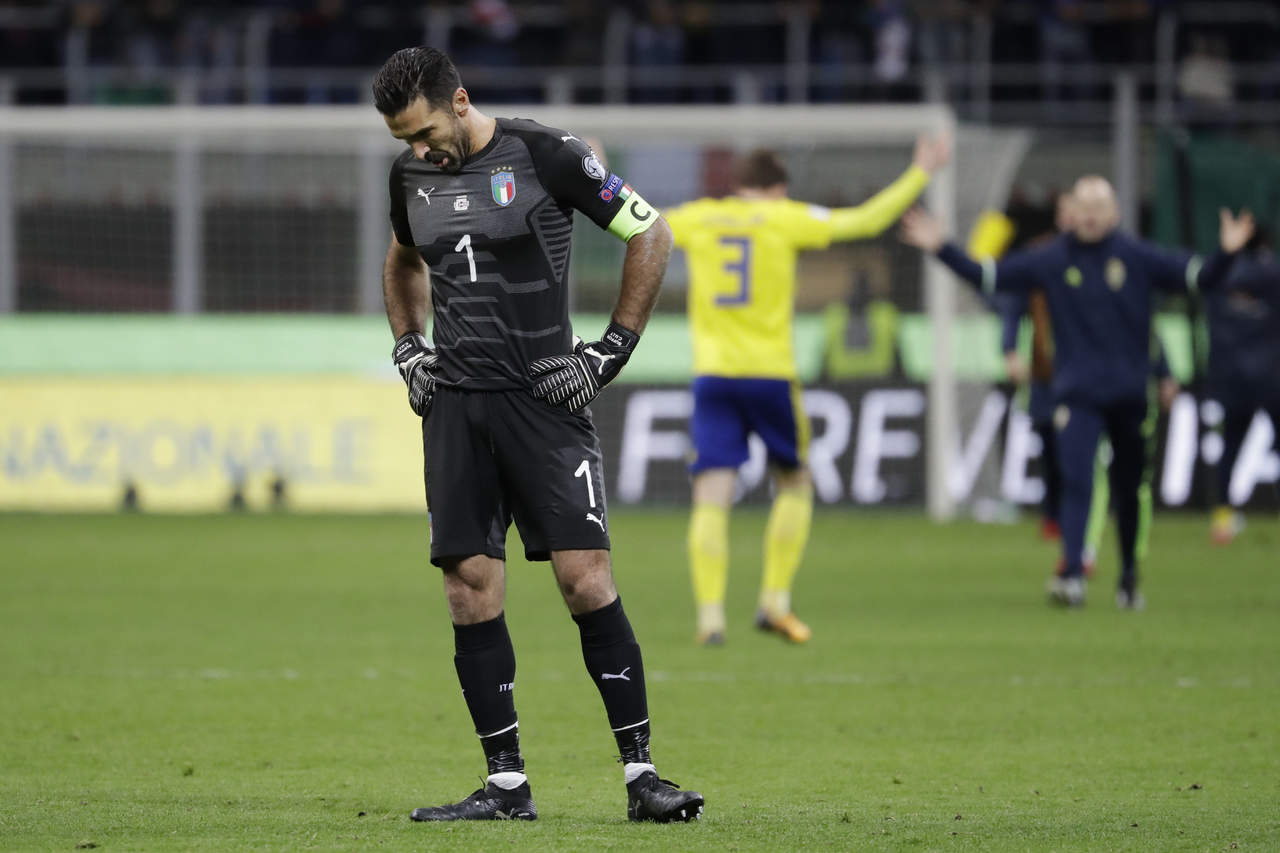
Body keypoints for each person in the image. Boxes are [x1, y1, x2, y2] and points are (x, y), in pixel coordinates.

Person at [373, 47, 703, 823]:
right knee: (466, 590)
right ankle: (506, 786)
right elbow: (400, 262)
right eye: (403, 141)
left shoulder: (546, 155)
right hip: (456, 404)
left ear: (459, 101)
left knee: (585, 580)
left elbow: (651, 235)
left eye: (423, 132)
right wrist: (409, 346)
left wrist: (607, 353)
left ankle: (643, 777)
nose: (418, 151)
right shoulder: (409, 179)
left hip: (544, 400)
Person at [899, 176, 1254, 608]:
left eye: (1098, 205)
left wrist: (1228, 252)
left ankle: (1127, 577)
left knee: (1128, 491)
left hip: (1129, 396)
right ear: (1071, 210)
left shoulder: (1137, 257)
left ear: (1115, 213)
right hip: (1077, 396)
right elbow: (986, 277)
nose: (1089, 213)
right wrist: (942, 247)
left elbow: (1201, 279)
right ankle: (1071, 574)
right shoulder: (1050, 260)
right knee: (1077, 481)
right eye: (1082, 204)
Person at [664, 137, 951, 645]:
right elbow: (864, 221)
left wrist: (594, 171)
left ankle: (710, 618)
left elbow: (633, 218)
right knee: (795, 484)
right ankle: (774, 601)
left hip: (713, 376)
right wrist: (920, 173)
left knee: (711, 494)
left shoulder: (700, 217)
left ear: (739, 186)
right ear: (778, 188)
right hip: (771, 374)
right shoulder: (785, 217)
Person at [1205, 232, 1280, 543]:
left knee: (1231, 448)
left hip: (1234, 379)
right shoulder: (1274, 274)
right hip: (1272, 378)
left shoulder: (1222, 276)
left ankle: (1223, 518)